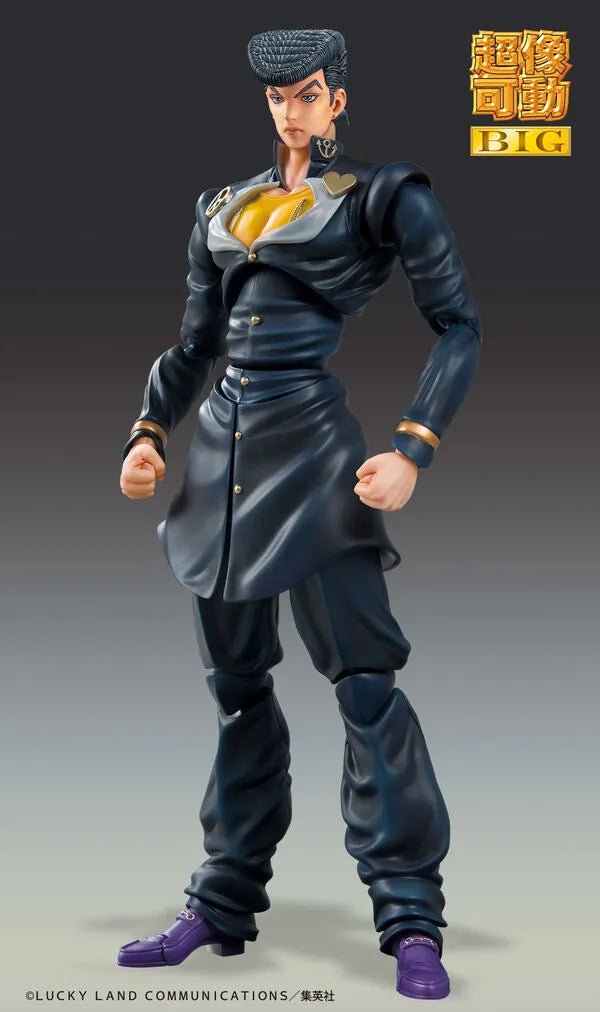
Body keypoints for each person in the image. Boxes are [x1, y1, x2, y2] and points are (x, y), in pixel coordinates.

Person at [117, 28, 481, 1001]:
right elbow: (193, 344)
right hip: (219, 464)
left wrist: (412, 447)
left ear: (338, 100)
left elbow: (458, 323)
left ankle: (410, 916)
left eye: (308, 92)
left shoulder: (380, 197)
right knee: (238, 691)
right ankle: (223, 901)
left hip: (316, 458)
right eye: (279, 95)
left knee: (364, 684)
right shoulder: (222, 207)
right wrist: (149, 431)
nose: (291, 109)